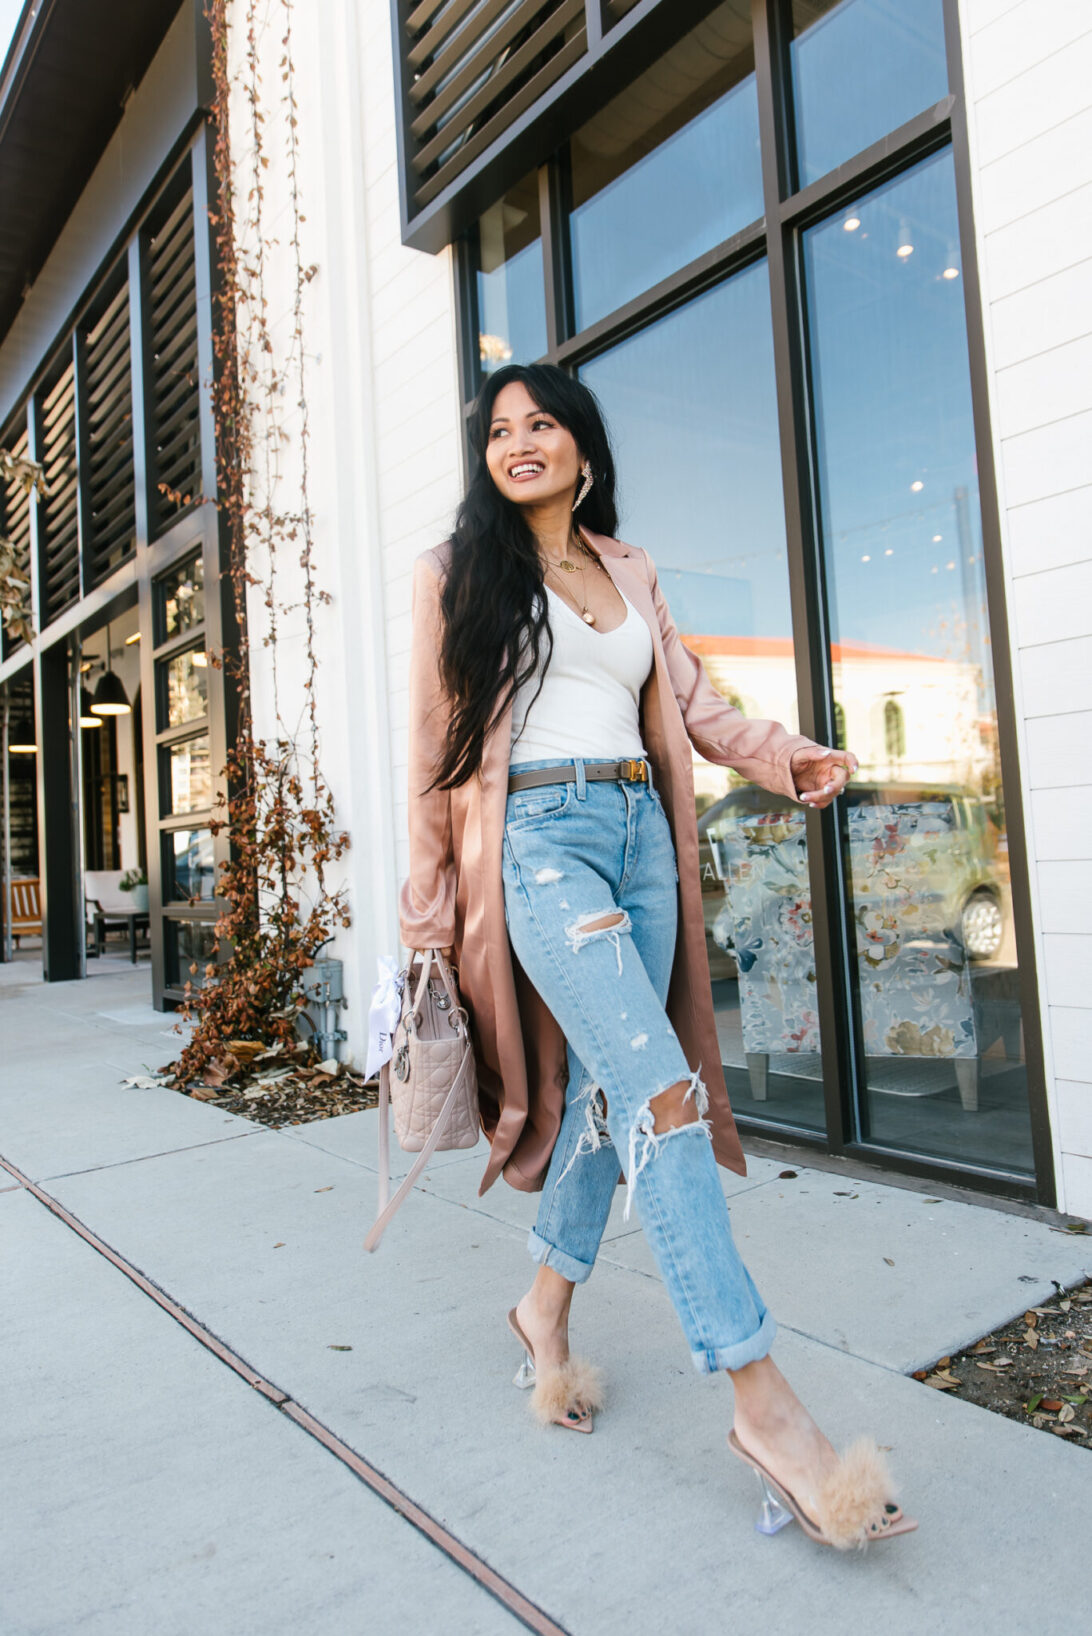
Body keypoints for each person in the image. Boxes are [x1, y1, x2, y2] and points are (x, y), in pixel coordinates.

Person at [399, 362, 916, 1550]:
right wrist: (429, 927)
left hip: (638, 837)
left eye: (543, 424)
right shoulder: (456, 574)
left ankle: (541, 1312)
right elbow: (433, 754)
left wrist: (789, 756)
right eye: (499, 429)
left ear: (582, 447)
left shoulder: (627, 570)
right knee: (666, 1099)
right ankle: (764, 1406)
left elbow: (692, 703)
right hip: (537, 840)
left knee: (602, 1090)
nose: (519, 441)